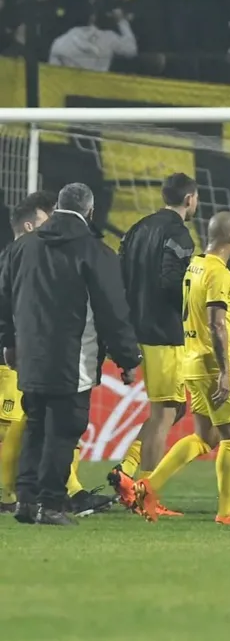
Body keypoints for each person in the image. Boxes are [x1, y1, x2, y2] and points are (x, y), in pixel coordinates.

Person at [0, 183, 141, 526]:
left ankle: (25, 501)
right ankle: (50, 506)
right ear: (90, 212)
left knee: (36, 425)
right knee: (65, 430)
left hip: (30, 357)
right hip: (73, 358)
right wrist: (127, 357)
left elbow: (4, 298)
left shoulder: (23, 248)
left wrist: (9, 342)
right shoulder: (97, 253)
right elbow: (112, 312)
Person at [132, 212, 230, 525]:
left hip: (190, 359)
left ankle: (148, 486)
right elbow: (217, 323)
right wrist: (223, 370)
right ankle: (227, 510)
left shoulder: (194, 265)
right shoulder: (219, 273)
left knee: (206, 437)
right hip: (213, 363)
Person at [108, 173, 198, 517]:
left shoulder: (135, 229)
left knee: (174, 409)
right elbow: (172, 283)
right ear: (190, 199)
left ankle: (127, 471)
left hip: (137, 329)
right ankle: (146, 493)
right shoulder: (178, 233)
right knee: (165, 411)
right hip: (166, 333)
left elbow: (118, 277)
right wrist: (192, 307)